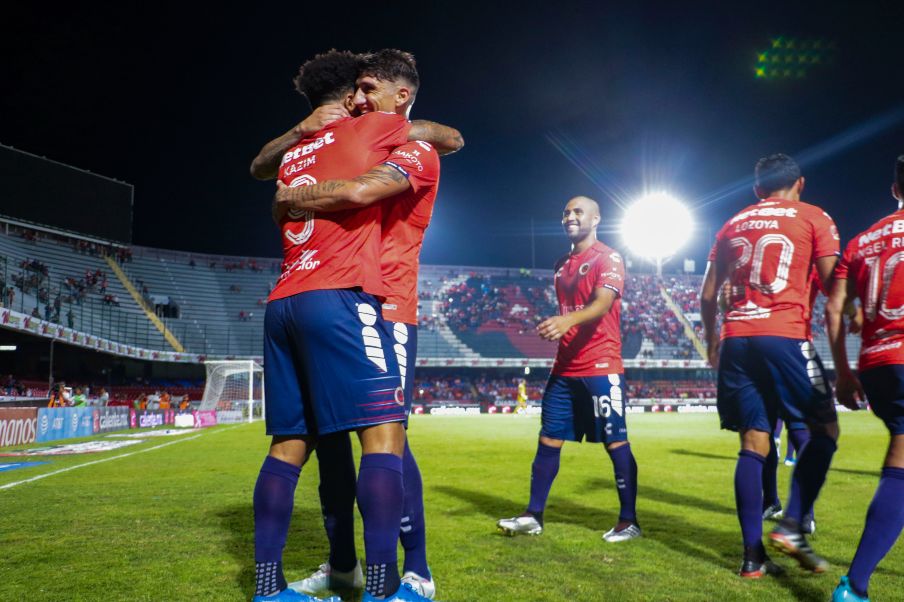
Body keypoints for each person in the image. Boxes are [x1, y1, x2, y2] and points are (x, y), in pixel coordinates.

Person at [249, 50, 459, 602]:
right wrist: (303, 133)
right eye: (356, 90)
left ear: (399, 98)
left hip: (386, 305)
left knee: (387, 437)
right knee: (332, 445)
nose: (359, 100)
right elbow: (266, 163)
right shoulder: (339, 136)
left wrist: (289, 198)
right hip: (339, 296)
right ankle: (344, 565)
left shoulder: (407, 142)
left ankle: (414, 571)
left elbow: (450, 137)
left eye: (370, 90)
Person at [700, 153, 840, 578]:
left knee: (753, 443)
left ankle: (751, 558)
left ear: (757, 188)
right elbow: (835, 286)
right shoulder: (814, 216)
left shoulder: (732, 223)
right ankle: (794, 523)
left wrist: (711, 342)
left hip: (737, 339)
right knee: (825, 429)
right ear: (800, 183)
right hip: (784, 334)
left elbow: (708, 296)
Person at [496, 196, 641, 543]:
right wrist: (563, 325)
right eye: (566, 212)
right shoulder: (562, 263)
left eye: (578, 212)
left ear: (596, 218)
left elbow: (603, 303)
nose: (570, 217)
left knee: (615, 441)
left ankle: (629, 520)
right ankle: (533, 515)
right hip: (565, 367)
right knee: (548, 438)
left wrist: (566, 320)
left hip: (601, 363)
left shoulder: (609, 257)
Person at [826, 155, 904, 602]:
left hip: (876, 364)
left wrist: (843, 372)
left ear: (895, 189)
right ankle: (853, 585)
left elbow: (835, 308)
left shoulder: (862, 241)